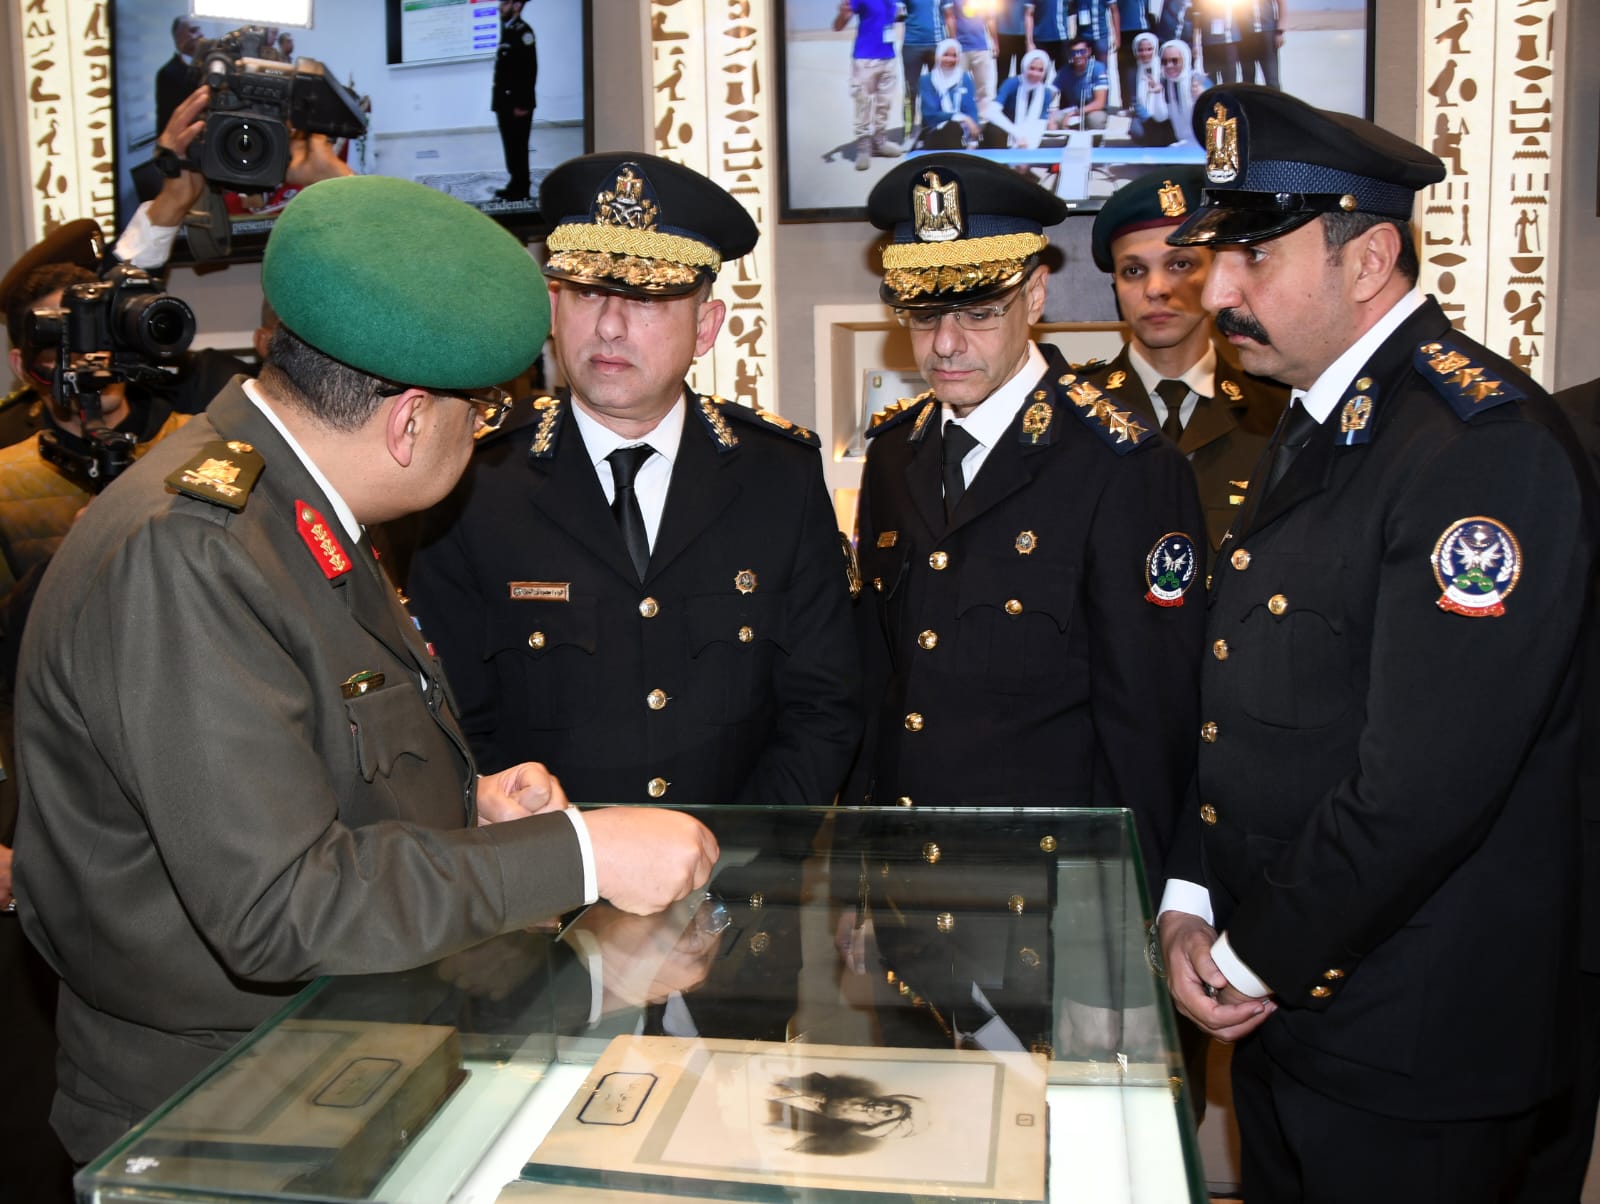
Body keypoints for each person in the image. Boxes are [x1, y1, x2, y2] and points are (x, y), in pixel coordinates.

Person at [11, 175, 719, 1163]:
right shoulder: (196, 550)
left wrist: (463, 805)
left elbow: (294, 767)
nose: (483, 435)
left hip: (320, 1071)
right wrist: (582, 854)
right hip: (221, 1119)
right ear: (409, 421)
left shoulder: (291, 511)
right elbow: (279, 905)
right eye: (482, 413)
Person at [1157, 85, 1595, 1202]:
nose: (1215, 291)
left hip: (1420, 1048)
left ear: (1369, 259)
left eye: (1253, 257)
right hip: (1292, 1004)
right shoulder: (1321, 418)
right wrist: (1193, 898)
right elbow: (1244, 704)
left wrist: (1248, 955)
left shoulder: (1476, 449)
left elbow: (1423, 786)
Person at [407, 152, 861, 809]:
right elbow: (452, 719)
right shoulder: (475, 482)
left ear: (706, 327)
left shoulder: (778, 477)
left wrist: (734, 852)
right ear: (554, 306)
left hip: (739, 864)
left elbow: (823, 707)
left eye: (647, 298)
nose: (610, 326)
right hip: (548, 863)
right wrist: (556, 852)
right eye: (588, 292)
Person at [847, 153, 1204, 893]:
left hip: (1051, 886)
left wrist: (1142, 902)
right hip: (905, 876)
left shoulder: (1122, 464)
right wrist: (857, 868)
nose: (946, 343)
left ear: (1034, 295)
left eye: (979, 313)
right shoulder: (894, 453)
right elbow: (877, 682)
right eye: (924, 315)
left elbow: (1151, 716)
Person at [1081, 166, 1286, 567]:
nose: (1156, 289)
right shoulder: (1072, 413)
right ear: (1116, 288)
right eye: (1134, 271)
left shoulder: (1277, 411)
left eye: (1180, 264)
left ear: (1216, 274)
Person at [833, 0, 904, 171]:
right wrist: (842, 14)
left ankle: (879, 142)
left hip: (889, 58)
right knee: (863, 104)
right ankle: (863, 147)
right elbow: (838, 26)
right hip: (865, 58)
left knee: (884, 104)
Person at [492, 0, 538, 202]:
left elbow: (529, 70)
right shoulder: (508, 29)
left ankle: (522, 188)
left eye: (504, 3)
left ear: (517, 6)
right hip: (504, 101)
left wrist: (523, 104)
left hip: (518, 103)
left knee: (519, 146)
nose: (500, 7)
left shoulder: (524, 32)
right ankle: (514, 183)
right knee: (510, 146)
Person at [983, 48, 1060, 147]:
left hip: (1028, 136)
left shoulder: (1046, 93)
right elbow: (991, 112)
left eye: (1040, 70)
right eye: (1032, 68)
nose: (1035, 74)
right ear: (1025, 67)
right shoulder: (1012, 83)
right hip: (1005, 129)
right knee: (994, 131)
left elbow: (1040, 122)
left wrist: (1028, 142)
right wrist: (1016, 133)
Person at [916, 40, 982, 148]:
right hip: (935, 132)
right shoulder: (926, 80)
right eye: (945, 55)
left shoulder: (965, 78)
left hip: (963, 132)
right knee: (952, 128)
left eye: (954, 56)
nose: (950, 59)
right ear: (938, 56)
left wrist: (973, 139)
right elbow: (930, 115)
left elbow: (971, 109)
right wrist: (960, 117)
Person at [900, 0, 945, 146]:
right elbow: (895, 11)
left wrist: (952, 43)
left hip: (936, 44)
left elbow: (949, 14)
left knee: (936, 89)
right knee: (911, 90)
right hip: (911, 45)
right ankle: (909, 133)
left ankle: (932, 130)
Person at [944, 0, 998, 109]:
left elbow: (990, 19)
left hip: (981, 47)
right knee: (955, 87)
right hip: (960, 48)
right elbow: (950, 17)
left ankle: (982, 117)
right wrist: (953, 43)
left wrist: (995, 42)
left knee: (984, 90)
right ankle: (956, 115)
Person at [154, 15, 201, 134]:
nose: (200, 35)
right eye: (193, 30)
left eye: (199, 30)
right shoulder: (167, 74)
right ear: (179, 37)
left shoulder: (211, 65)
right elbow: (165, 123)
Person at [1125, 32, 1173, 145]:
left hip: (1166, 113)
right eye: (1140, 50)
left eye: (1149, 49)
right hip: (1144, 116)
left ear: (1155, 49)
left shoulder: (1165, 69)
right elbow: (1135, 101)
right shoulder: (1132, 72)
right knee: (1137, 131)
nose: (1145, 53)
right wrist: (1148, 120)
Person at [1053, 36, 1110, 130]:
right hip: (1071, 109)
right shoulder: (1064, 71)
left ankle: (1093, 139)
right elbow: (1051, 92)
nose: (1078, 55)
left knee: (1096, 120)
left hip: (1093, 110)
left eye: (1082, 51)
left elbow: (1100, 102)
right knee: (1051, 119)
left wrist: (1076, 112)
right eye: (1074, 52)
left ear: (1088, 51)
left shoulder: (1098, 68)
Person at [1112, 0, 1157, 115]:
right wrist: (1115, 35)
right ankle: (1128, 103)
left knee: (1146, 67)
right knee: (1124, 69)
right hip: (1123, 29)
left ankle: (1146, 103)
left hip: (1142, 26)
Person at [1157, 39, 1200, 145]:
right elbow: (1160, 117)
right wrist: (1156, 94)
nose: (1169, 66)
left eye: (1174, 61)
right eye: (1164, 62)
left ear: (1185, 59)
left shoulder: (1198, 80)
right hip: (1182, 141)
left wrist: (1202, 98)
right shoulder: (1165, 83)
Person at [1240, 0, 1283, 89]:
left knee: (1272, 79)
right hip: (1245, 35)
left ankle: (1273, 98)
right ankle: (1250, 98)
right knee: (1247, 79)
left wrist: (1280, 31)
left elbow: (1282, 4)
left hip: (1267, 33)